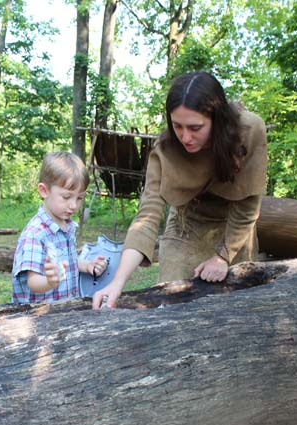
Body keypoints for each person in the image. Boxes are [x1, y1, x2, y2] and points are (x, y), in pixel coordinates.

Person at [92, 71, 267, 309]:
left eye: (196, 127)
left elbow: (247, 208)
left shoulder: (248, 130)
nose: (185, 137)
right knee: (172, 308)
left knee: (233, 311)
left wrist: (222, 257)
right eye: (178, 126)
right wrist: (117, 282)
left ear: (217, 120)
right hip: (186, 225)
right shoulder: (165, 150)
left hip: (233, 229)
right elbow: (147, 215)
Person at [12, 151, 108, 304]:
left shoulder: (66, 226)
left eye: (79, 198)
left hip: (64, 313)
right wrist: (50, 281)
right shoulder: (35, 234)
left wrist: (87, 265)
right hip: (38, 319)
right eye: (66, 197)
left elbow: (68, 261)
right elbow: (32, 281)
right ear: (44, 191)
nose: (73, 205)